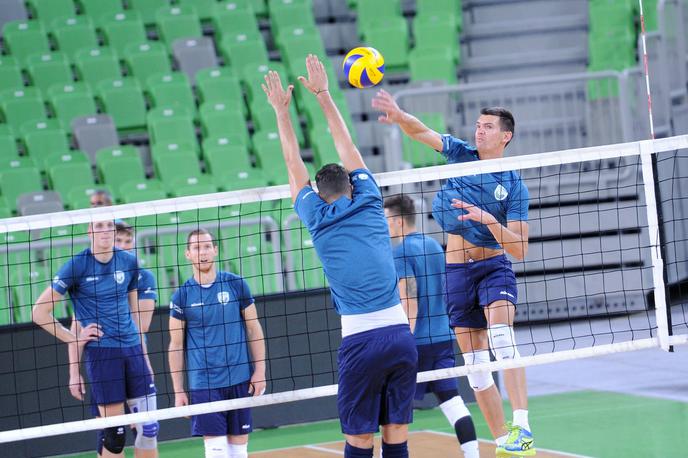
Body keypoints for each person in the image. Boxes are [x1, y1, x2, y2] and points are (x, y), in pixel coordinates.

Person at [263, 54, 417, 458]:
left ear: (317, 192)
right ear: (353, 183)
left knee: (359, 440)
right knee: (396, 432)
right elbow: (345, 143)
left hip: (360, 341)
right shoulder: (369, 200)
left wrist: (282, 111)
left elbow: (291, 161)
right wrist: (324, 95)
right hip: (400, 336)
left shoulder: (315, 215)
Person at [372, 90, 534, 457]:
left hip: (494, 266)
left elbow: (520, 249)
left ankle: (522, 425)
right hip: (457, 271)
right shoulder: (461, 155)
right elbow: (423, 132)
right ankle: (504, 442)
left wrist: (490, 221)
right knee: (476, 368)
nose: (479, 131)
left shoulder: (514, 186)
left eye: (487, 127)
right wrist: (398, 115)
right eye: (477, 125)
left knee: (503, 338)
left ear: (505, 136)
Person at [32, 219, 154, 458]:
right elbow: (38, 312)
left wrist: (144, 355)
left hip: (133, 351)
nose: (105, 231)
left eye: (108, 225)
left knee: (148, 428)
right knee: (115, 436)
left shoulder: (129, 261)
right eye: (98, 226)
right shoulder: (77, 265)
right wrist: (74, 341)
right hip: (103, 353)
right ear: (89, 231)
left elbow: (133, 314)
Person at [383, 194, 479, 458]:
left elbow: (408, 299)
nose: (384, 225)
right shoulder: (435, 246)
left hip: (416, 342)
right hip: (443, 337)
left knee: (392, 408)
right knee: (452, 401)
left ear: (399, 222)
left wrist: (404, 339)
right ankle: (473, 455)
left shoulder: (399, 252)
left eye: (386, 220)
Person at [168, 228, 266, 458]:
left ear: (215, 250)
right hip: (205, 383)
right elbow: (175, 345)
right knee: (216, 451)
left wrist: (260, 370)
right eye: (196, 247)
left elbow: (254, 328)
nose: (202, 252)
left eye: (206, 246)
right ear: (188, 254)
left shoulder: (235, 284)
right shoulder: (181, 296)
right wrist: (178, 390)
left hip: (240, 378)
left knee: (239, 450)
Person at [67, 220, 160, 457]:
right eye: (119, 241)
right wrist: (73, 372)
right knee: (112, 435)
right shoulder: (89, 272)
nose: (124, 246)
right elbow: (77, 327)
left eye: (128, 241)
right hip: (105, 359)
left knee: (149, 429)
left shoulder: (142, 275)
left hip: (134, 356)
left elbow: (142, 326)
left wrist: (146, 362)